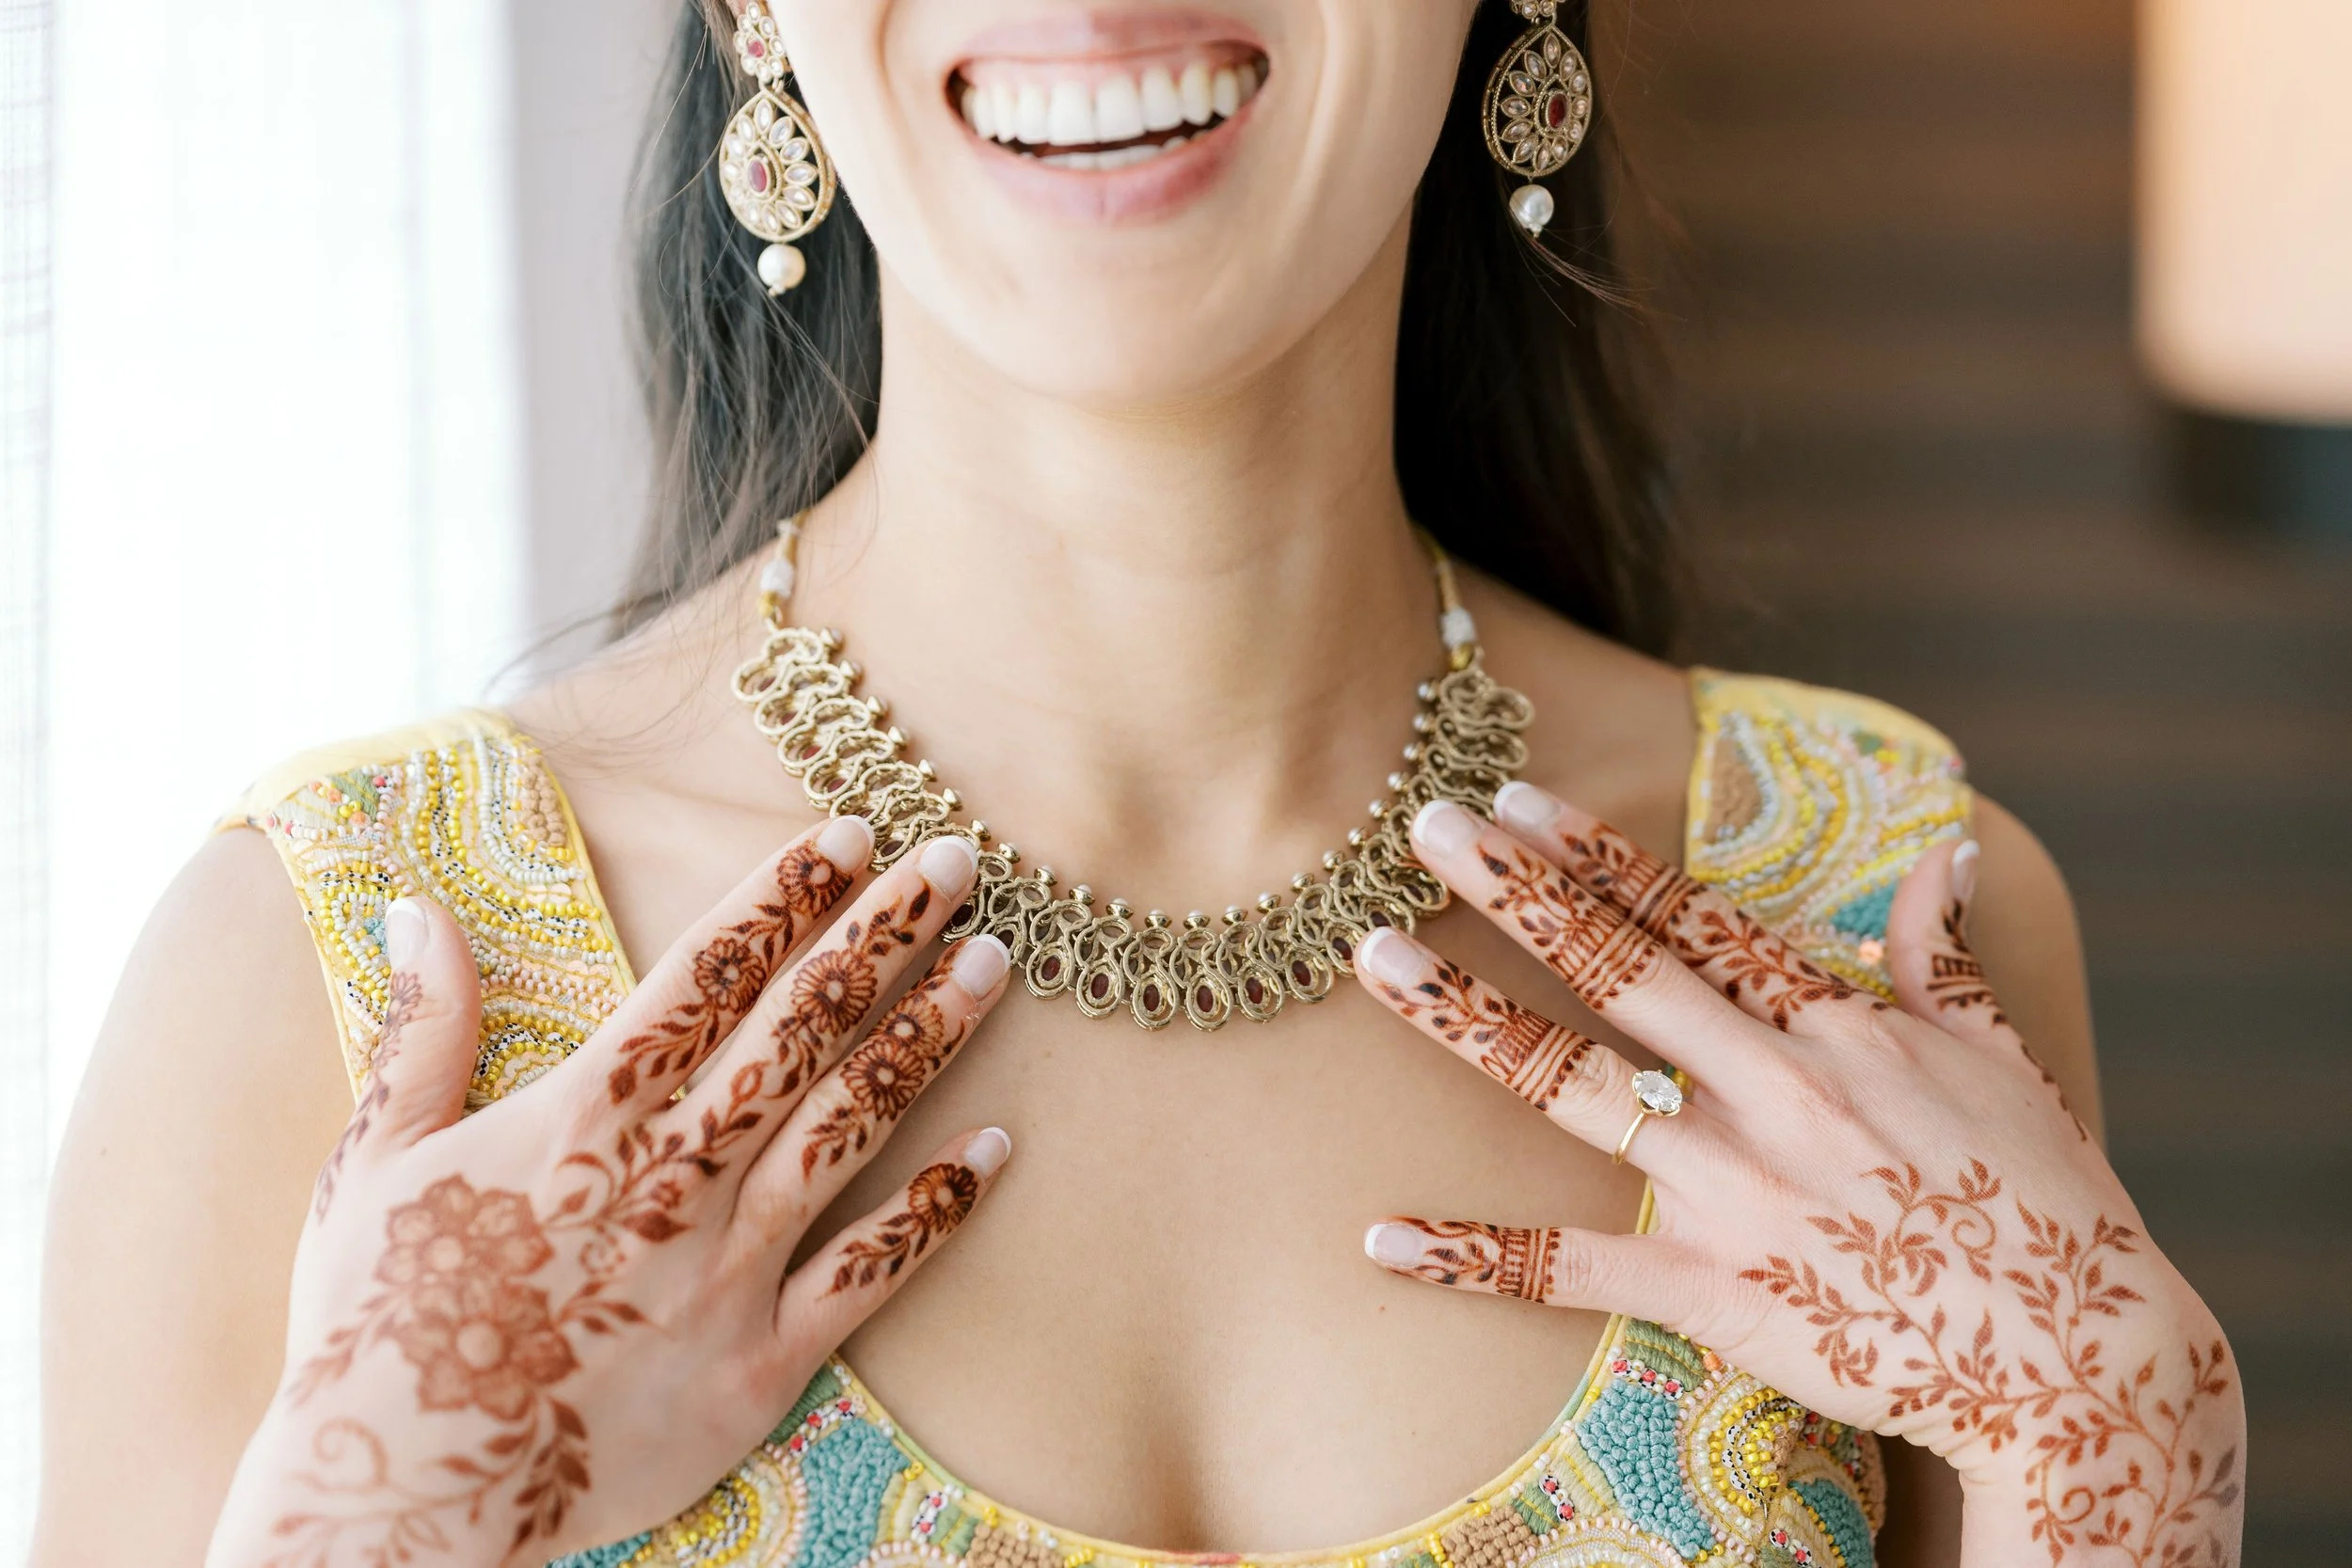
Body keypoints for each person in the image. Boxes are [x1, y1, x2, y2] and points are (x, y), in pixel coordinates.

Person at [36, 3, 2243, 1565]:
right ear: (748, 14)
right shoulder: (330, 969)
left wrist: (2122, 1441)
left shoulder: (1873, 912)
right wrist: (365, 1528)